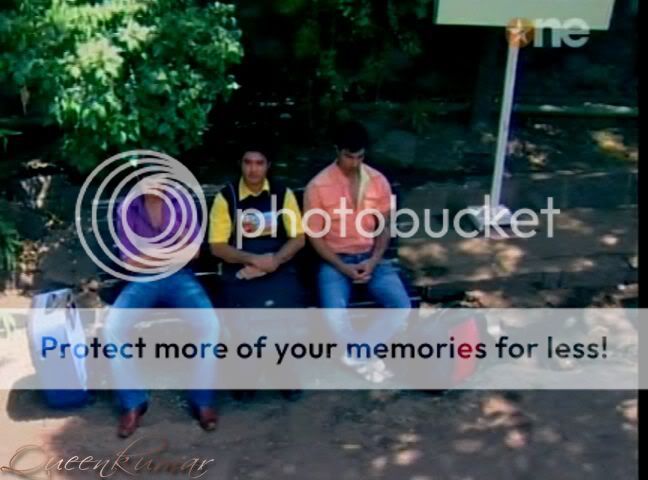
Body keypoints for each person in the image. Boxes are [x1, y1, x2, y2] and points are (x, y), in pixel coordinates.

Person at [103, 175, 220, 438]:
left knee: (210, 325)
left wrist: (160, 248)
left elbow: (194, 252)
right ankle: (133, 403)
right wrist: (169, 253)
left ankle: (202, 400)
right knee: (112, 328)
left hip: (180, 277)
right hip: (143, 280)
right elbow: (129, 262)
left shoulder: (181, 203)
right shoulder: (128, 208)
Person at [304, 120, 411, 382]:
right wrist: (343, 267)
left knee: (402, 305)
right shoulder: (317, 186)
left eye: (360, 157)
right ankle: (365, 357)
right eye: (348, 156)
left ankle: (357, 355)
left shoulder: (377, 181)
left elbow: (384, 226)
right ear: (337, 151)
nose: (354, 163)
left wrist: (373, 261)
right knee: (334, 313)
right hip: (335, 260)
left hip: (371, 256)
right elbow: (315, 237)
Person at [208, 144, 306, 308]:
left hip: (278, 264)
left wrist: (275, 260)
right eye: (248, 162)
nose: (253, 169)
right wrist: (253, 260)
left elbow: (298, 238)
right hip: (240, 265)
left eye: (259, 163)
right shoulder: (226, 197)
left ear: (268, 165)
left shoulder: (282, 194)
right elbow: (217, 246)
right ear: (240, 164)